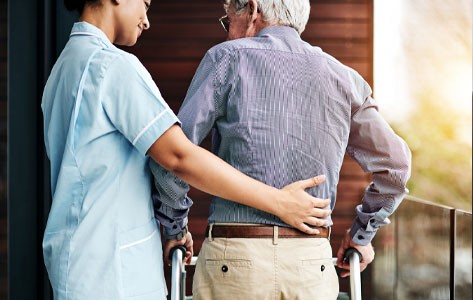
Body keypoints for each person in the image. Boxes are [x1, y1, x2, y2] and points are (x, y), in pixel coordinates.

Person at [41, 0, 333, 299]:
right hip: (112, 271)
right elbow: (178, 157)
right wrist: (279, 202)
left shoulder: (65, 67)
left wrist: (175, 229)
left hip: (78, 259)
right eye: (145, 4)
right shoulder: (112, 66)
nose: (146, 21)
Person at [150, 0, 412, 299]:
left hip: (234, 261)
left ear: (251, 10)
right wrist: (361, 234)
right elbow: (397, 166)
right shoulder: (345, 78)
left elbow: (170, 157)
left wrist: (174, 228)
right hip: (311, 266)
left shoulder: (226, 58)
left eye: (227, 21)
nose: (227, 33)